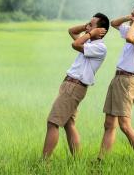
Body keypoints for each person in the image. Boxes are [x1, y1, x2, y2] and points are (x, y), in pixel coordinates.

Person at [43, 13, 110, 158]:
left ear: (100, 31)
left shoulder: (99, 47)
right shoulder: (89, 43)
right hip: (71, 85)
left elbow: (75, 44)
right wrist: (88, 27)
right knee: (68, 124)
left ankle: (44, 162)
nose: (87, 27)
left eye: (91, 25)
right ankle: (77, 160)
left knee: (53, 123)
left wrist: (91, 32)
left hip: (74, 86)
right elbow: (72, 31)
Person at [98, 4, 134, 159]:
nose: (131, 17)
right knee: (109, 124)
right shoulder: (132, 29)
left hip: (127, 81)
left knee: (125, 125)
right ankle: (100, 160)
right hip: (117, 78)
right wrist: (130, 18)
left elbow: (129, 38)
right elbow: (114, 23)